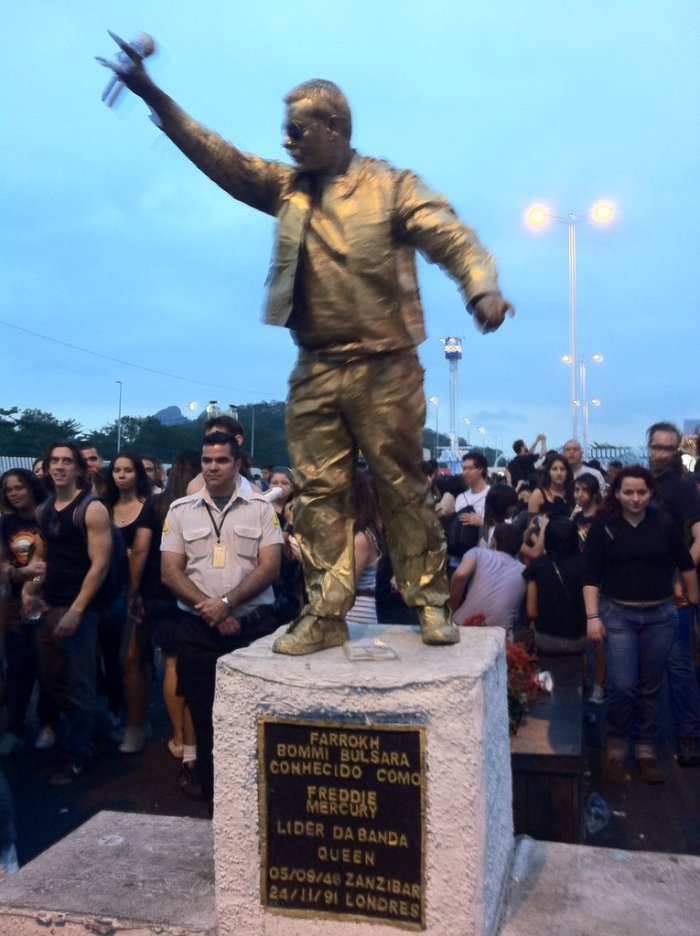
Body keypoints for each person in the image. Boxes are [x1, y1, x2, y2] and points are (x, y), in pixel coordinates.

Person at [97, 39, 514, 655]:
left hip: (386, 365)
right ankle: (325, 610)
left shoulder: (393, 188)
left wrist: (482, 288)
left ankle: (429, 601)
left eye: (297, 130)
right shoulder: (287, 189)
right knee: (319, 493)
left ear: (334, 128)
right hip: (316, 364)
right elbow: (222, 158)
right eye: (284, 131)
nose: (287, 142)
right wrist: (153, 94)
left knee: (400, 485)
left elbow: (452, 237)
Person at [160, 433, 283, 807]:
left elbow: (271, 566)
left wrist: (227, 603)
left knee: (258, 722)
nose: (213, 466)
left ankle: (263, 809)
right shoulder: (180, 510)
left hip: (253, 629)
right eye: (207, 460)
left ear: (238, 463)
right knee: (206, 719)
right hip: (200, 631)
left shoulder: (261, 508)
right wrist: (211, 610)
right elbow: (170, 571)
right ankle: (218, 810)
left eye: (222, 460)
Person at [583, 466, 697, 783]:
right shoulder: (604, 526)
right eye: (628, 492)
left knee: (650, 686)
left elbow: (685, 563)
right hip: (617, 614)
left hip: (661, 615)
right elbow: (590, 576)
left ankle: (646, 747)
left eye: (642, 492)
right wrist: (592, 617)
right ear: (616, 494)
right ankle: (616, 744)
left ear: (651, 494)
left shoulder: (663, 523)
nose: (635, 498)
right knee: (622, 685)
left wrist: (692, 597)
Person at [35, 443, 113, 785]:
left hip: (80, 608)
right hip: (50, 605)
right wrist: (30, 591)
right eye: (55, 461)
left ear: (78, 468)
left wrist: (78, 610)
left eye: (67, 461)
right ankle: (92, 736)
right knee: (53, 681)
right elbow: (42, 558)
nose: (60, 467)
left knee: (81, 684)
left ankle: (78, 755)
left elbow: (100, 565)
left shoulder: (91, 508)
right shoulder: (45, 509)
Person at [129, 451, 201, 762]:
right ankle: (195, 736)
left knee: (171, 663)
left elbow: (140, 550)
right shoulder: (200, 507)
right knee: (196, 666)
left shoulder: (156, 506)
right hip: (196, 591)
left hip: (158, 591)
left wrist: (134, 592)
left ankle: (177, 735)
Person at [646, 421, 700, 767]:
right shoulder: (637, 484)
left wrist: (682, 576)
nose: (662, 454)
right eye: (657, 447)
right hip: (634, 592)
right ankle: (641, 740)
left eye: (669, 448)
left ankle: (688, 734)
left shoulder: (681, 489)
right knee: (637, 670)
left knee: (678, 665)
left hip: (671, 594)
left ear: (677, 450)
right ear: (648, 446)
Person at [104, 453, 151, 753]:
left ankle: (137, 724)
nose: (121, 475)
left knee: (132, 659)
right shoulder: (102, 508)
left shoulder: (149, 508)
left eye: (128, 470)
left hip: (139, 592)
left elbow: (146, 552)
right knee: (109, 658)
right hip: (106, 591)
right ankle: (119, 716)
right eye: (117, 470)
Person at [0, 470, 50, 754]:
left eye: (19, 487)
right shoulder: (6, 524)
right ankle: (14, 727)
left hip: (49, 602)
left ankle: (49, 722)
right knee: (18, 668)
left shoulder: (49, 515)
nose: (14, 493)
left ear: (32, 487)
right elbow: (3, 565)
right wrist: (23, 572)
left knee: (48, 667)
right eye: (8, 490)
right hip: (16, 607)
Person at [523, 517, 586, 655]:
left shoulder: (537, 566)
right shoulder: (586, 566)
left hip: (545, 638)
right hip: (579, 639)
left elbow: (531, 611)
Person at [449, 523, 525, 633]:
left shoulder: (478, 553)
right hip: (501, 635)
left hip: (463, 626)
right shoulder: (524, 571)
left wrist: (452, 607)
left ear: (494, 542)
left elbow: (461, 574)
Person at [528, 454, 575, 520]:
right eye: (554, 469)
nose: (559, 473)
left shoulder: (574, 491)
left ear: (568, 472)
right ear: (548, 472)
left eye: (562, 469)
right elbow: (531, 525)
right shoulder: (538, 494)